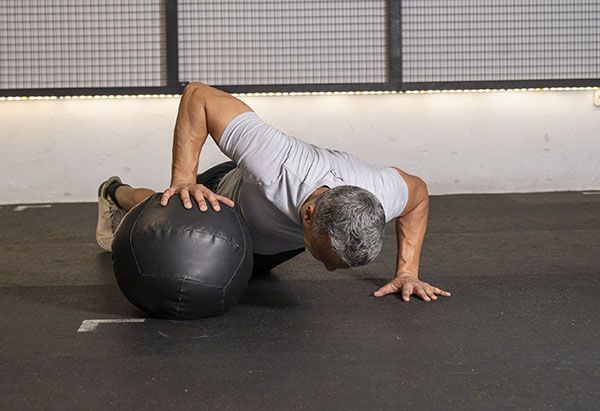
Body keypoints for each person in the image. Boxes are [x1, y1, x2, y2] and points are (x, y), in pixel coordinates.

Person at [96, 82, 450, 302]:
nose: (327, 271)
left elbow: (417, 195)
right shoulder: (276, 162)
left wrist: (407, 271)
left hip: (269, 245)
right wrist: (185, 179)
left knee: (256, 273)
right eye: (328, 259)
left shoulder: (378, 193)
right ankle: (114, 193)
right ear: (309, 214)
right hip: (225, 205)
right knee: (158, 208)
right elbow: (198, 95)